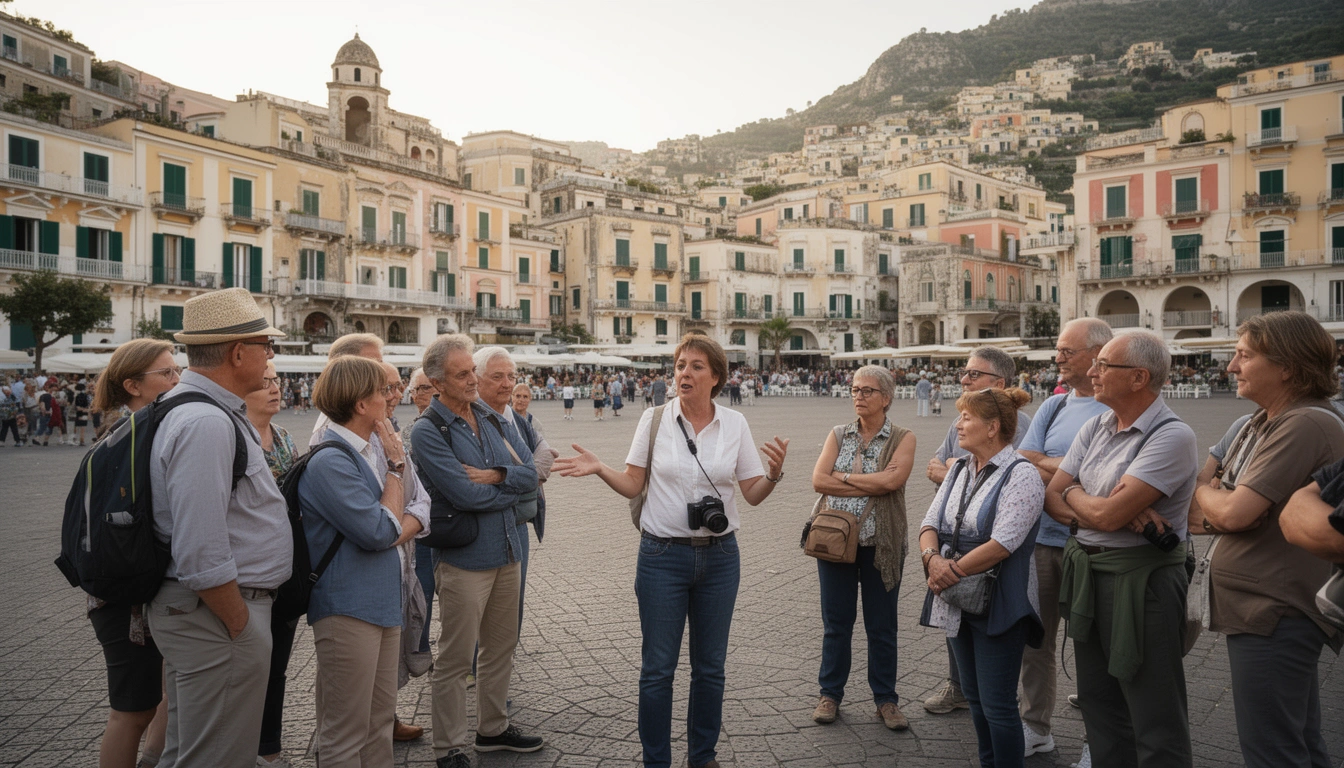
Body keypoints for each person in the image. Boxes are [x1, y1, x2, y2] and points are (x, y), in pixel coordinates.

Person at [554, 334, 789, 768]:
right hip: (662, 557)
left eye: (696, 366)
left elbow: (751, 494)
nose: (685, 372)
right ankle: (655, 761)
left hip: (720, 559)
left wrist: (773, 475)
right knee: (658, 670)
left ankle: (702, 756)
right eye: (680, 365)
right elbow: (632, 483)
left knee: (710, 669)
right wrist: (600, 468)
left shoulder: (735, 423)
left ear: (716, 377)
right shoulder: (654, 420)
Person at [1187, 312, 1344, 768]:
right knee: (1298, 741)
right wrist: (1216, 501)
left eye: (1244, 356)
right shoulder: (1269, 420)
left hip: (1275, 610)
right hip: (1267, 610)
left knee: (1271, 749)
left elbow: (1232, 512)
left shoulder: (1304, 424)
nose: (1231, 367)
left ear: (1287, 367)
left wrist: (1206, 492)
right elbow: (1207, 516)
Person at [147, 288, 292, 768]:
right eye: (264, 346)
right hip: (219, 617)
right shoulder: (205, 422)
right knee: (218, 757)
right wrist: (240, 624)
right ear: (236, 352)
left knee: (190, 753)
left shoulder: (202, 411)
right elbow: (200, 548)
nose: (269, 356)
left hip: (211, 616)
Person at [1045, 329, 1198, 768]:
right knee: (1099, 705)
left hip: (1142, 584)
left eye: (1103, 365)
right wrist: (1096, 503)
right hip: (1089, 576)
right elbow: (1051, 499)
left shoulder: (1173, 436)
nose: (1092, 372)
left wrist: (1078, 494)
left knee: (1153, 711)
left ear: (1138, 378)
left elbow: (1101, 514)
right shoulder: (1097, 424)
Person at [412, 335, 544, 766]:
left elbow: (531, 471)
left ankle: (493, 728)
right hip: (465, 559)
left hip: (508, 551)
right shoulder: (427, 432)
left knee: (501, 647)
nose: (473, 380)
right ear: (437, 382)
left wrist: (493, 476)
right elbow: (464, 496)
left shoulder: (489, 415)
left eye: (473, 371)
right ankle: (448, 746)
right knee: (454, 658)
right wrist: (508, 486)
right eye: (462, 374)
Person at [300, 356, 424, 768]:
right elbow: (379, 531)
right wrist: (393, 468)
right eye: (382, 391)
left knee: (377, 724)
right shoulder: (331, 459)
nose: (392, 396)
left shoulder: (355, 451)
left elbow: (412, 510)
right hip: (348, 607)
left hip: (380, 603)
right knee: (345, 731)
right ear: (359, 404)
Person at [919, 387, 1043, 768]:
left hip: (998, 598)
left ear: (992, 428)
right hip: (955, 595)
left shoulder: (1023, 475)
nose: (958, 424)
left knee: (998, 704)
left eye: (966, 417)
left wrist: (947, 570)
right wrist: (930, 558)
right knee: (973, 696)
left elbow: (1003, 544)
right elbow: (929, 522)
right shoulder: (958, 469)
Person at [1015, 318, 1112, 759]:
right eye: (1057, 350)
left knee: (1095, 646)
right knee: (1035, 641)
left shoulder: (1118, 407)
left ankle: (1100, 740)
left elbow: (1116, 477)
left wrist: (1053, 466)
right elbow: (1024, 460)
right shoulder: (1053, 406)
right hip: (1043, 541)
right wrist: (1075, 468)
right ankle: (1035, 727)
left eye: (1066, 351)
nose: (1057, 359)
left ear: (1097, 355)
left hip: (1097, 546)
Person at [923, 346, 1032, 715]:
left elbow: (1010, 475)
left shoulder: (1021, 425)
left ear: (998, 383)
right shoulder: (964, 420)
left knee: (997, 656)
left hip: (996, 552)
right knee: (959, 624)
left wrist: (946, 570)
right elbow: (937, 468)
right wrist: (933, 559)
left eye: (973, 374)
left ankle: (1003, 694)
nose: (964, 379)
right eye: (964, 373)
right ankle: (962, 687)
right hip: (954, 541)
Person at [86, 338, 179, 768]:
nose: (178, 379)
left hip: (136, 589)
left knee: (161, 698)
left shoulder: (142, 429)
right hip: (124, 595)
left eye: (177, 370)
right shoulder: (128, 436)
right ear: (132, 384)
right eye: (167, 373)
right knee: (132, 708)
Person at [808, 366, 916, 729]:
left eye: (868, 391)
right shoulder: (838, 434)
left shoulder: (903, 437)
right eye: (855, 389)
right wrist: (871, 482)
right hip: (835, 542)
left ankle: (886, 699)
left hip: (881, 545)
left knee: (882, 626)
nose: (858, 396)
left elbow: (893, 481)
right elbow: (818, 480)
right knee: (836, 624)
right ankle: (830, 694)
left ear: (886, 398)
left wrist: (846, 478)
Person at [242, 362, 300, 768]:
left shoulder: (283, 437)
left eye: (276, 381)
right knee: (246, 672)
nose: (274, 388)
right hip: (247, 574)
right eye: (264, 383)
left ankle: (269, 750)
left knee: (276, 669)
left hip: (286, 571)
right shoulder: (235, 435)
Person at [404, 367, 440, 663]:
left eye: (425, 388)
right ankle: (421, 648)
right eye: (415, 390)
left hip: (450, 523)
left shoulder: (450, 426)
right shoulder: (406, 432)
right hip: (421, 525)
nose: (419, 395)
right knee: (422, 589)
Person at [72, 381, 93, 446]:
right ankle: (82, 440)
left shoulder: (77, 396)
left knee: (76, 427)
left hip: (78, 413)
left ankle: (75, 438)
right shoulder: (86, 396)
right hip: (85, 413)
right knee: (83, 427)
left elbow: (76, 406)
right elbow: (89, 404)